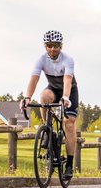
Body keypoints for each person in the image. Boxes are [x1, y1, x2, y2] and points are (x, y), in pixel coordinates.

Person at [20, 30, 79, 179]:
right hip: (53, 89)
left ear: (61, 46)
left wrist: (65, 98)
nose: (53, 49)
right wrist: (27, 97)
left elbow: (67, 80)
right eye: (50, 45)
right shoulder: (40, 59)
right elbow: (34, 79)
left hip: (69, 91)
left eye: (56, 46)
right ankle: (47, 129)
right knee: (44, 96)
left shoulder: (68, 59)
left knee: (69, 124)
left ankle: (70, 165)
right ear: (45, 46)